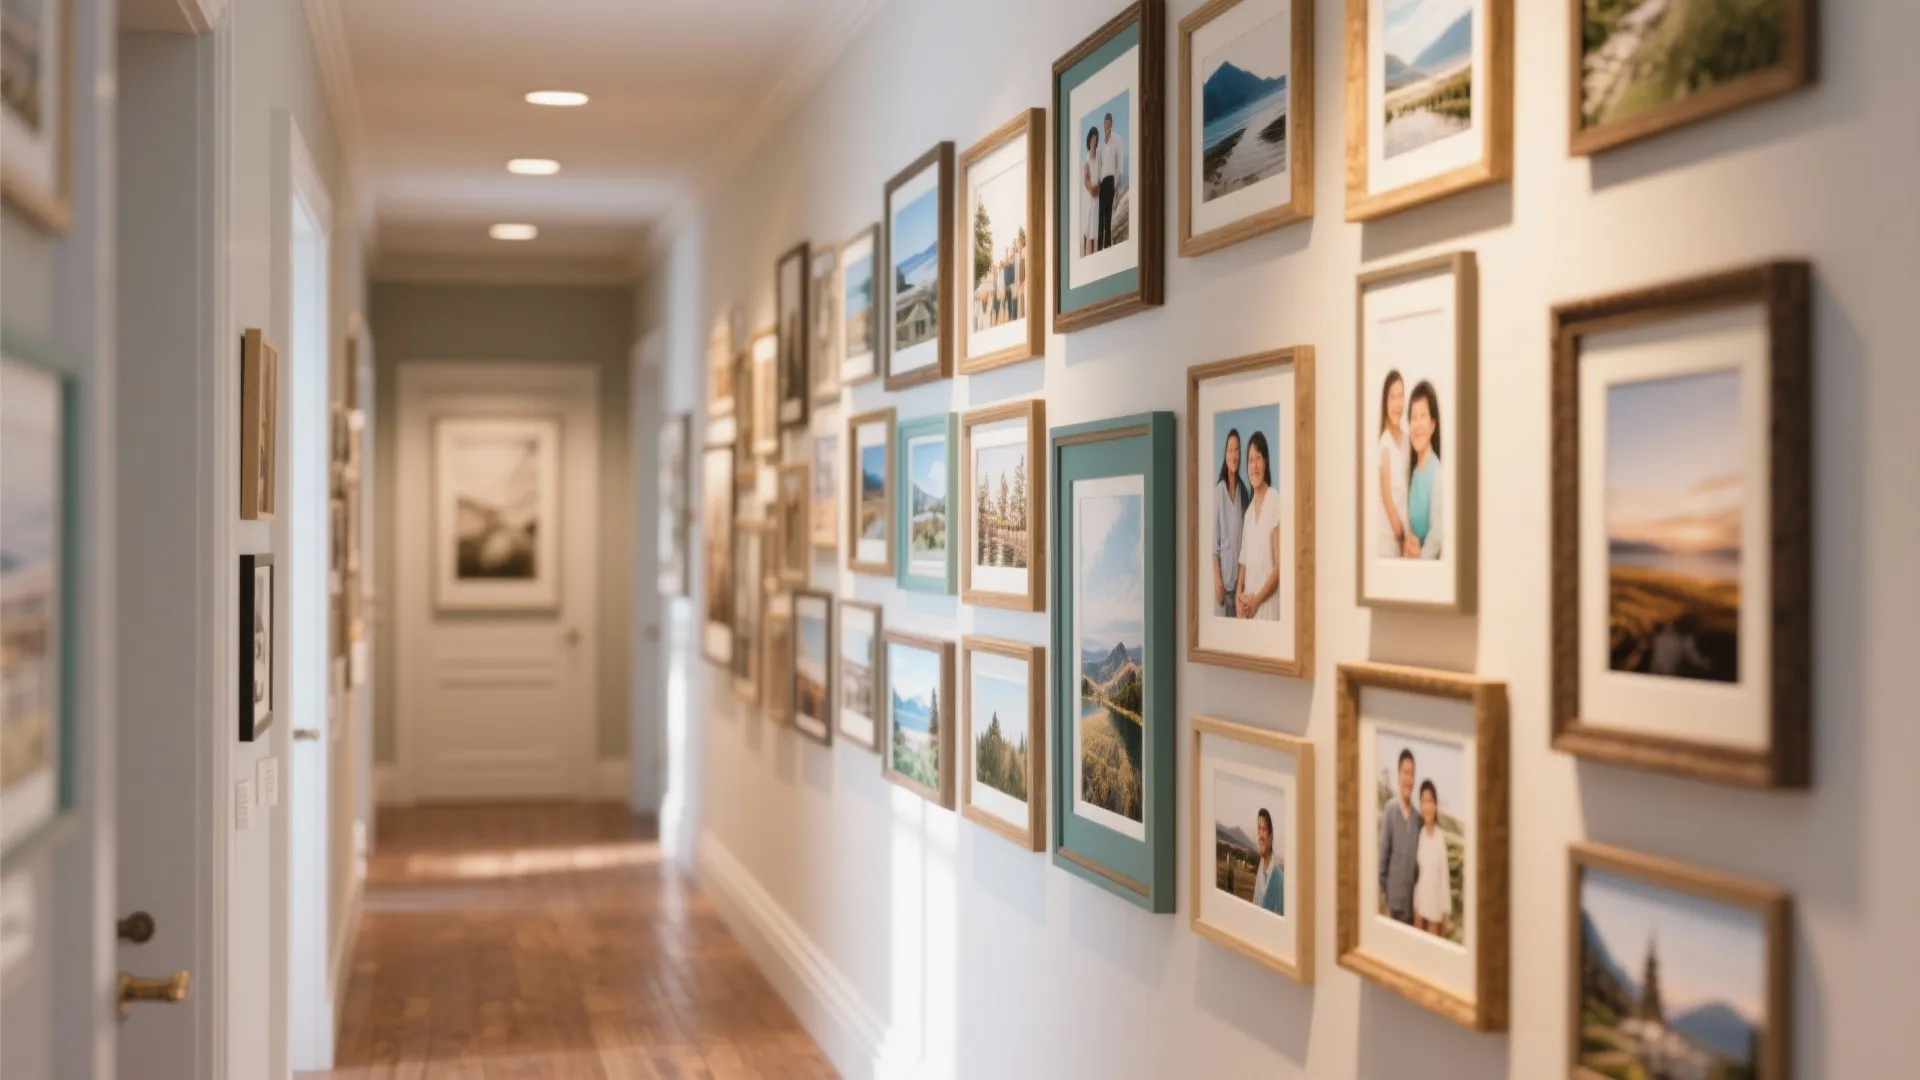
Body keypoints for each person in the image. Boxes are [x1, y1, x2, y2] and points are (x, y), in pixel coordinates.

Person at [1236, 431, 1282, 620]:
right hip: (1248, 613)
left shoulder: (1275, 499)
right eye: (1250, 460)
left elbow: (1279, 568)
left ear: (1265, 462)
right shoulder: (1247, 515)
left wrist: (1256, 601)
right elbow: (1244, 566)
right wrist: (1239, 597)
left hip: (1268, 609)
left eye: (1258, 458)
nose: (1254, 465)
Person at [1378, 748, 1421, 924]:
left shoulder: (1417, 818)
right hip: (1392, 906)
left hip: (1411, 908)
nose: (1408, 779)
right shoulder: (1390, 810)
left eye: (1412, 774)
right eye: (1405, 772)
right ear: (1398, 775)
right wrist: (1383, 900)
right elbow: (1383, 856)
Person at [1404, 381, 1444, 559]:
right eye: (1413, 417)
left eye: (1423, 416)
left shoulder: (1438, 472)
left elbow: (1437, 532)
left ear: (1433, 425)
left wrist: (1421, 556)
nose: (1417, 424)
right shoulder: (1412, 473)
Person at [1212, 428, 1249, 617]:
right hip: (1223, 585)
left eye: (1237, 450)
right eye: (1230, 450)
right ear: (1225, 454)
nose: (1233, 455)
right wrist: (1217, 579)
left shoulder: (1244, 493)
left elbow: (1247, 541)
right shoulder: (1218, 491)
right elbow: (1213, 542)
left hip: (1241, 586)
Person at [1375, 371, 1411, 558]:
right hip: (1389, 541)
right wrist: (1402, 537)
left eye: (1401, 396)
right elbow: (1387, 498)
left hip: (1405, 540)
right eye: (1393, 397)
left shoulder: (1407, 441)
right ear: (1385, 402)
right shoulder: (1384, 444)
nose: (1398, 403)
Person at [1412, 780, 1450, 938]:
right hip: (1420, 905)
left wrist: (1445, 911)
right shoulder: (1420, 834)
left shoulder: (1440, 837)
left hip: (1435, 909)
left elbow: (1444, 877)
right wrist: (1416, 906)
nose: (1427, 806)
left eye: (1430, 801)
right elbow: (1419, 874)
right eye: (1423, 801)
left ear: (1435, 805)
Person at [1097, 111, 1126, 249]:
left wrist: (1117, 178)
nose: (1107, 125)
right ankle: (1100, 245)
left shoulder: (1116, 138)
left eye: (1109, 123)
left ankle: (1107, 244)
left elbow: (1120, 157)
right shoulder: (1102, 143)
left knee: (1108, 213)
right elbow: (1100, 164)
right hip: (1102, 181)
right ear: (1103, 124)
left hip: (1110, 179)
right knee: (1101, 214)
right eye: (1106, 123)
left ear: (1111, 124)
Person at [1253, 808, 1284, 916]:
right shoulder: (1260, 874)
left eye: (1264, 830)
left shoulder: (1279, 879)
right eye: (1259, 829)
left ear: (1271, 836)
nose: (1260, 836)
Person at [1081, 127, 1101, 255]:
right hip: (1089, 196)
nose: (1094, 140)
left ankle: (1092, 253)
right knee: (1087, 226)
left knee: (1094, 226)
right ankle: (1086, 252)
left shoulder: (1098, 157)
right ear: (1089, 140)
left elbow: (1100, 176)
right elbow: (1085, 179)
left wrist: (1098, 188)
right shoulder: (1086, 159)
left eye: (1096, 138)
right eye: (1092, 138)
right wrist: (1091, 189)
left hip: (1096, 195)